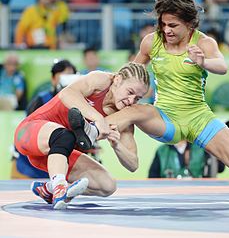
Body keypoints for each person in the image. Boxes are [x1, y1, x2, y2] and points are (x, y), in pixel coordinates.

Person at [81, 0, 229, 205]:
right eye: (163, 24)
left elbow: (222, 66)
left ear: (189, 22)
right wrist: (101, 87)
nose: (167, 30)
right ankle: (86, 133)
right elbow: (130, 73)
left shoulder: (204, 42)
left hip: (198, 117)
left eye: (173, 25)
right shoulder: (151, 41)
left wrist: (202, 61)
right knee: (135, 109)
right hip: (165, 117)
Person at [14, 62, 150, 210]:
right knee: (65, 136)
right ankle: (59, 186)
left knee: (107, 185)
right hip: (29, 133)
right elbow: (67, 93)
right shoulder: (101, 80)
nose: (131, 101)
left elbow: (133, 164)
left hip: (57, 157)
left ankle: (49, 189)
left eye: (137, 98)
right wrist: (98, 119)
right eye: (130, 92)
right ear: (117, 80)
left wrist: (117, 145)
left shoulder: (123, 115)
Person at [11, 59, 77, 179]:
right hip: (38, 153)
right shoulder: (41, 99)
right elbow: (26, 128)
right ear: (53, 79)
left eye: (71, 76)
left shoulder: (78, 102)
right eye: (63, 75)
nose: (67, 79)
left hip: (61, 153)